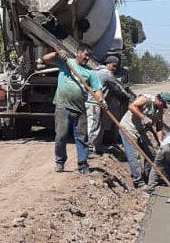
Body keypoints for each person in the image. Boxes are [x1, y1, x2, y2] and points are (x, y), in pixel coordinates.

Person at [42, 44, 103, 174]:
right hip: (62, 105)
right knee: (61, 136)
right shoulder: (66, 62)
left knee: (82, 138)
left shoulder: (90, 73)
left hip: (80, 108)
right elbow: (45, 59)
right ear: (78, 53)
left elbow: (97, 89)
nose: (87, 58)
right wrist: (56, 54)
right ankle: (59, 162)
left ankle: (82, 164)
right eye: (85, 54)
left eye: (89, 56)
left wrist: (101, 100)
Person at [119, 92, 170, 188]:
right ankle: (138, 181)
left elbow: (159, 126)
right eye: (163, 104)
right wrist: (143, 117)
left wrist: (160, 140)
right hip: (128, 128)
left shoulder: (159, 110)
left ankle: (148, 177)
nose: (164, 107)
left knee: (151, 154)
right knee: (134, 156)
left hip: (140, 131)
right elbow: (132, 107)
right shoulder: (146, 98)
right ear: (159, 99)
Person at [88, 56, 120, 155]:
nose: (115, 68)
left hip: (97, 103)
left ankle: (95, 147)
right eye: (114, 66)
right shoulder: (106, 73)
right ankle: (89, 148)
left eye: (116, 67)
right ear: (108, 63)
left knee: (97, 125)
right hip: (94, 102)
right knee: (94, 125)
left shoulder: (96, 71)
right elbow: (117, 87)